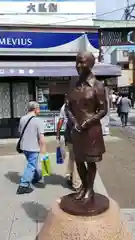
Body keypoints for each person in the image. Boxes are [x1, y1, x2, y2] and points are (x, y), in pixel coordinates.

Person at [66, 51, 107, 201]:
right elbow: (68, 106)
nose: (78, 65)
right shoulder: (73, 83)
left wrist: (86, 123)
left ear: (90, 64)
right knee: (78, 160)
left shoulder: (98, 85)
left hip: (91, 131)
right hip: (76, 129)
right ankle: (83, 186)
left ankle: (89, 189)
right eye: (77, 62)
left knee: (90, 161)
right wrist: (75, 123)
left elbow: (103, 110)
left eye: (82, 62)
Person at [16, 101, 46, 195]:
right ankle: (23, 185)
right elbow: (41, 138)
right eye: (39, 108)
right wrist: (43, 149)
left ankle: (36, 177)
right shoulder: (38, 121)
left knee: (31, 163)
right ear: (35, 109)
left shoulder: (22, 119)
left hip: (24, 147)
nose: (39, 110)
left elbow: (20, 132)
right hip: (33, 147)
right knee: (31, 165)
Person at [56, 95, 81, 190]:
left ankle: (69, 176)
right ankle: (76, 183)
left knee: (72, 156)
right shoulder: (78, 106)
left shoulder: (64, 106)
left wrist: (58, 133)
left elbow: (60, 120)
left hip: (68, 135)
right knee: (76, 159)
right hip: (77, 135)